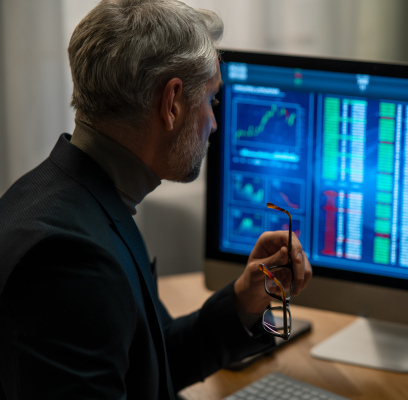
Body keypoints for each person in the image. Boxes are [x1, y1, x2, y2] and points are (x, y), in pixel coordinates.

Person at [0, 0, 312, 398]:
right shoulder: (68, 260)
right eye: (212, 100)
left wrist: (245, 301)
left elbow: (152, 363)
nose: (214, 123)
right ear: (172, 103)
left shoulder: (82, 199)